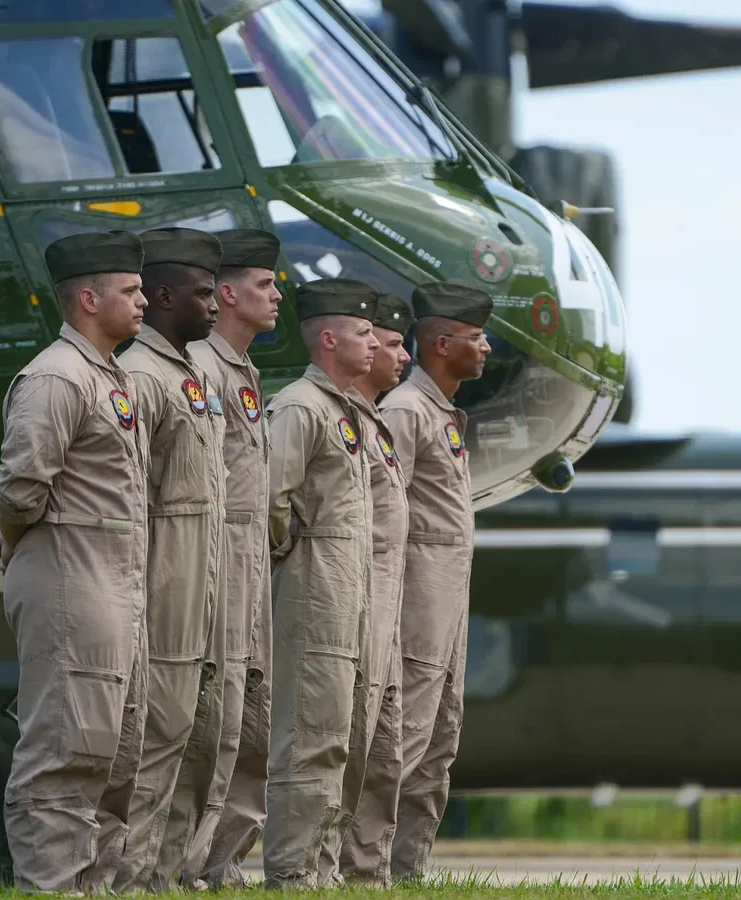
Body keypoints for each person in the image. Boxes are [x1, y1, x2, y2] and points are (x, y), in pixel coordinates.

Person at [0, 230, 151, 893]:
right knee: (65, 749)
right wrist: (16, 540)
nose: (144, 301)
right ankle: (52, 885)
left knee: (114, 753)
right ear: (88, 298)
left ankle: (92, 886)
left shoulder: (105, 376)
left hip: (112, 582)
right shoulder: (56, 376)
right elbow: (20, 487)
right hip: (69, 577)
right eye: (131, 291)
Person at [109, 227, 229, 893]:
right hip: (164, 583)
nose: (214, 305)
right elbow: (126, 495)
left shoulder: (193, 377)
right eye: (202, 293)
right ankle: (131, 878)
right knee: (156, 739)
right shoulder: (141, 377)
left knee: (196, 739)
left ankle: (166, 874)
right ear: (161, 296)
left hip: (203, 581)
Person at [262, 277, 380, 889]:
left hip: (348, 584)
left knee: (341, 736)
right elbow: (269, 498)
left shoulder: (345, 409)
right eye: (363, 332)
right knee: (310, 735)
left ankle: (321, 869)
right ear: (329, 338)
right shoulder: (301, 408)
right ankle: (290, 871)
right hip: (316, 583)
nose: (374, 342)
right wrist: (292, 552)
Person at [180, 229, 283, 888]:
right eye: (264, 285)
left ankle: (223, 866)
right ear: (225, 294)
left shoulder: (243, 372)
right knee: (208, 720)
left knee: (252, 723)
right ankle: (181, 865)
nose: (277, 296)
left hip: (250, 562)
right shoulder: (199, 368)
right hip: (212, 557)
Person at [378, 281, 491, 882]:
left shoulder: (441, 413)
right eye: (476, 339)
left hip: (446, 595)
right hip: (416, 595)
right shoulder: (404, 411)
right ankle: (357, 869)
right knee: (405, 734)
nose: (487, 349)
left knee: (438, 741)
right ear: (442, 343)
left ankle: (404, 873)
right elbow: (381, 509)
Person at [338, 292, 415, 885]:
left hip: (384, 605)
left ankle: (368, 875)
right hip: (347, 602)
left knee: (382, 752)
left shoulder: (379, 422)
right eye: (387, 342)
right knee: (340, 746)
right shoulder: (327, 414)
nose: (398, 355)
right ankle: (314, 872)